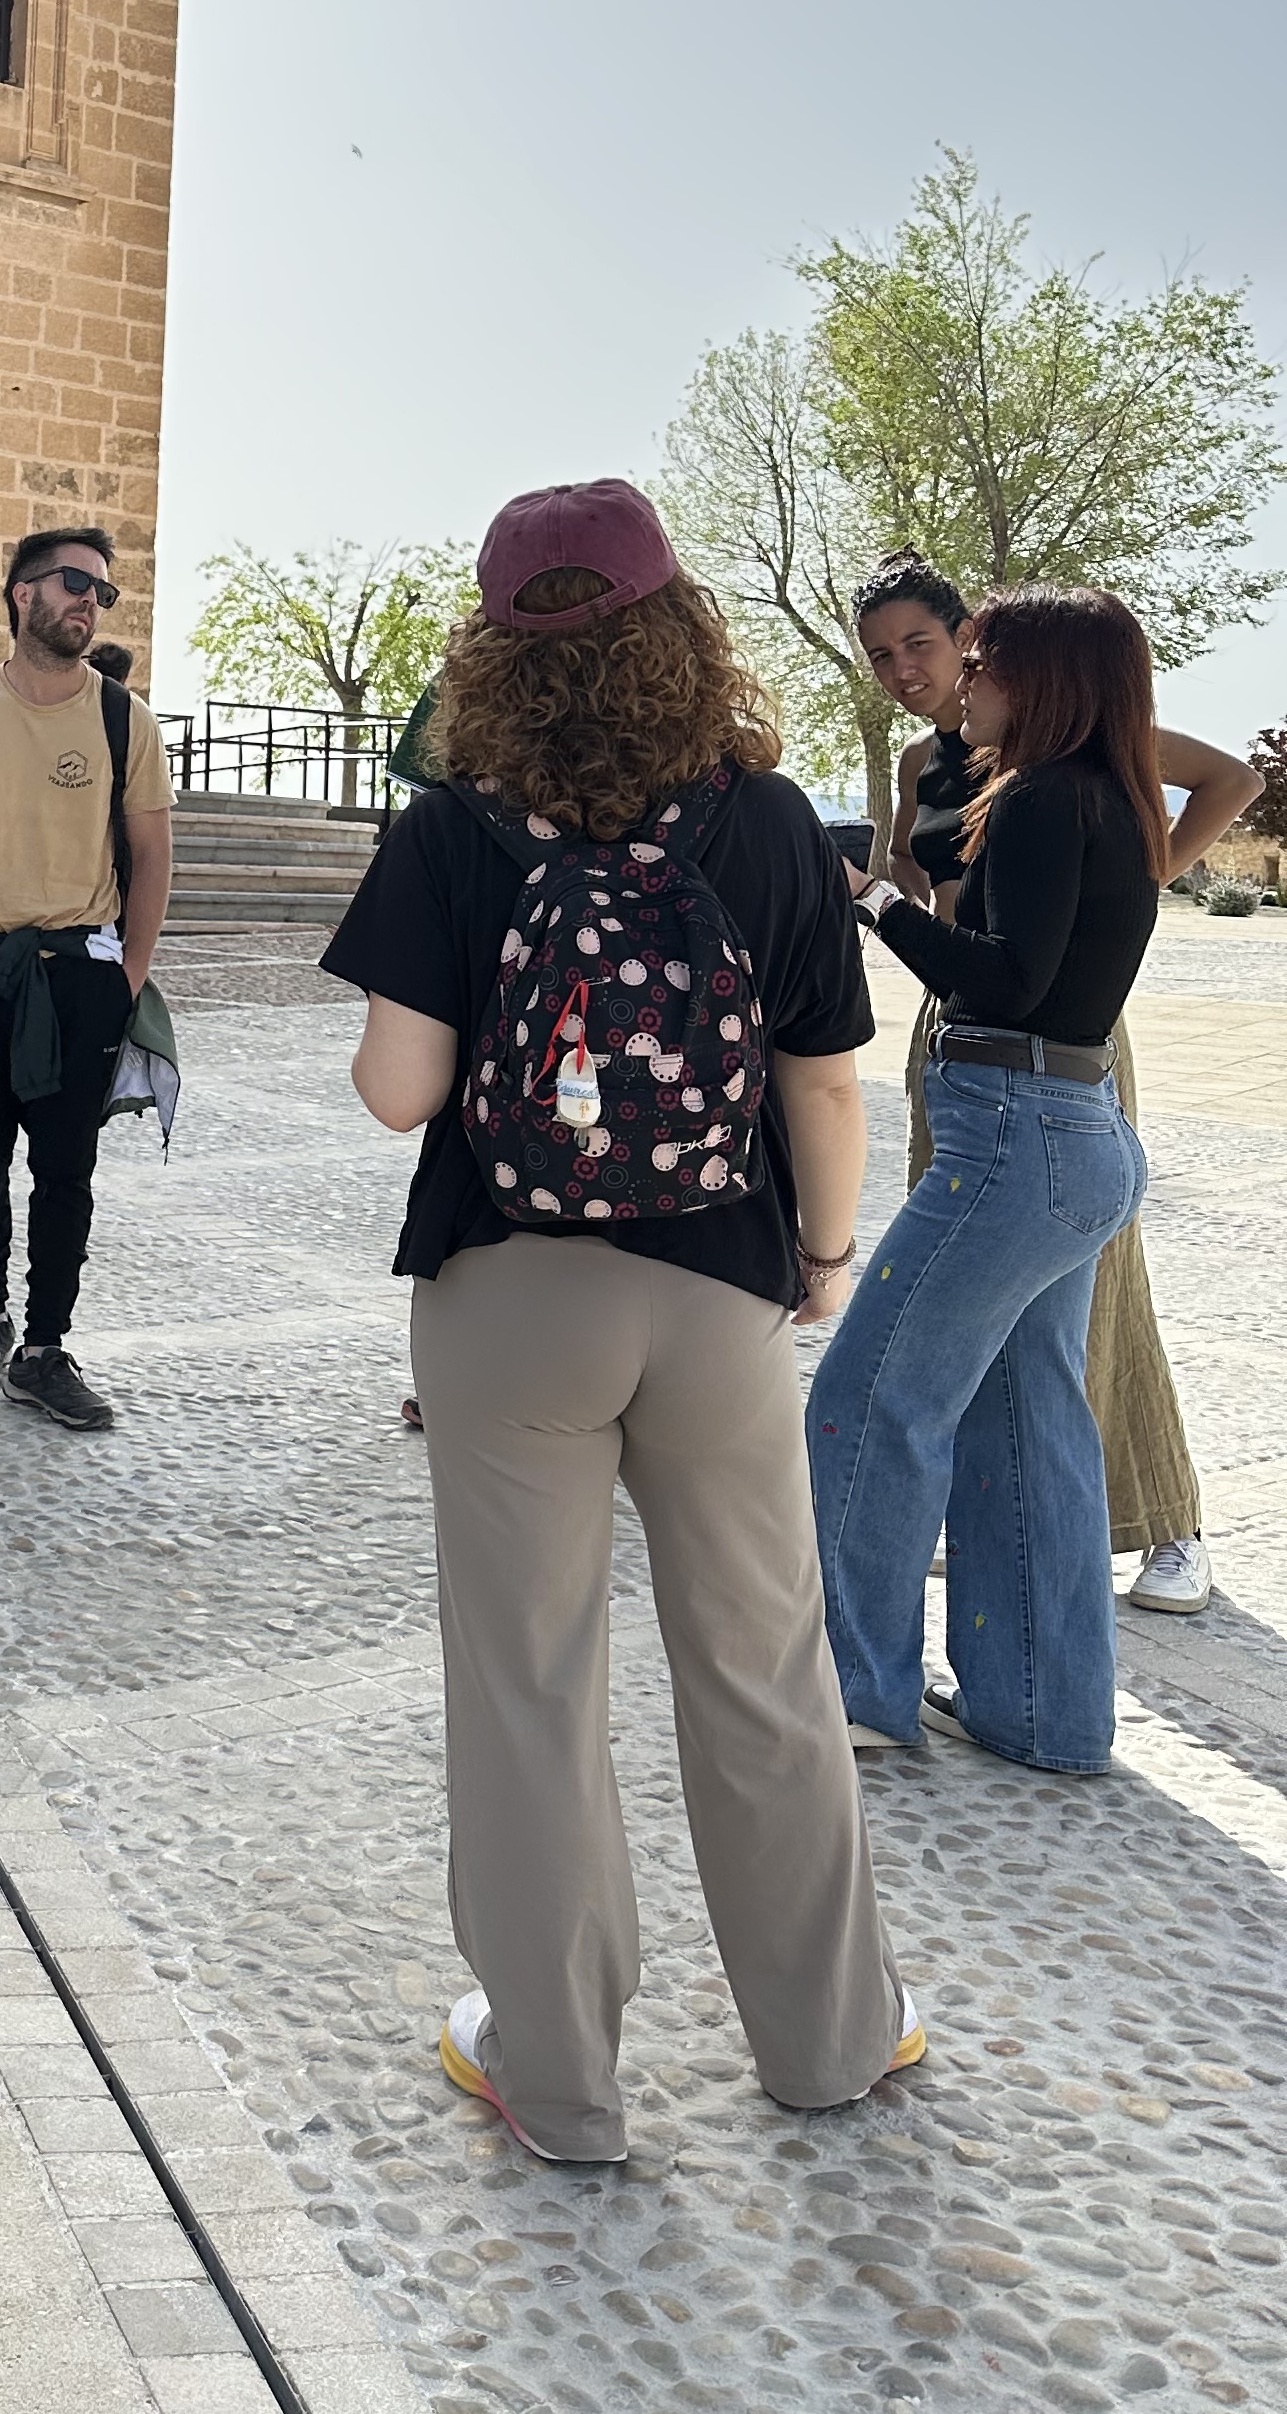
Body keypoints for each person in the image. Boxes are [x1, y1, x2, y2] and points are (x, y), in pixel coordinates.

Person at [324, 479, 917, 2167]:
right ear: (676, 625)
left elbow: (396, 1091)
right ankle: (829, 2038)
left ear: (491, 648)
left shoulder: (450, 826)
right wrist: (818, 1255)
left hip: (508, 1293)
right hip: (717, 1286)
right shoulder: (768, 819)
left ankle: (560, 2082)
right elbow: (822, 1080)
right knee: (763, 1664)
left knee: (527, 1685)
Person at [853, 552, 1253, 1617]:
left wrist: (1137, 878)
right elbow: (925, 889)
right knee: (985, 1299)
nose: (902, 669)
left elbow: (1235, 780)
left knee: (1096, 1285)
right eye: (880, 655)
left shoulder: (1069, 734)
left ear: (968, 640)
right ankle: (997, 1519)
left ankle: (1166, 1520)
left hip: (1057, 1028)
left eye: (920, 643)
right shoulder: (923, 760)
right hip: (956, 1025)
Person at [817, 584, 1170, 1771]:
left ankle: (850, 1693)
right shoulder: (1111, 796)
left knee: (869, 1401)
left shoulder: (1033, 798)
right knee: (1029, 1425)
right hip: (1077, 1131)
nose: (963, 682)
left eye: (982, 663)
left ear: (1042, 677)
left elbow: (1003, 980)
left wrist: (868, 897)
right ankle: (1042, 1713)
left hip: (1012, 1137)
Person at [0, 525, 174, 1431]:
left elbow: (152, 851)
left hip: (80, 979)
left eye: (102, 592)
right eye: (75, 583)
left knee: (65, 1172)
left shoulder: (124, 719)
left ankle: (44, 1349)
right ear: (23, 594)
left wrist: (131, 972)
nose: (91, 602)